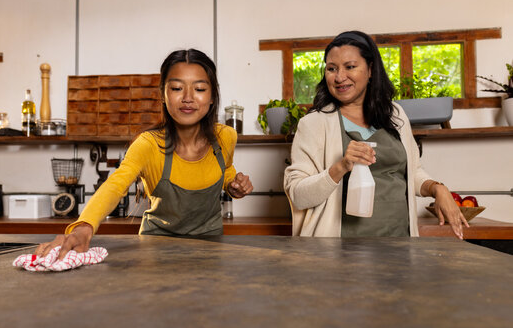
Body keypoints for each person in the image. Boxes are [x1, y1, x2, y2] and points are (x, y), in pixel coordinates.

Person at [37, 48, 253, 259]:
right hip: (156, 250)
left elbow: (224, 169)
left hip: (211, 249)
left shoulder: (225, 137)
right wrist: (82, 228)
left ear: (213, 95)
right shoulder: (148, 144)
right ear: (163, 94)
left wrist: (233, 185)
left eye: (199, 88)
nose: (188, 97)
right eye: (177, 88)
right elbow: (115, 186)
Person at [284, 31, 467, 239]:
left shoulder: (395, 115)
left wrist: (436, 189)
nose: (339, 77)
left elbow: (412, 172)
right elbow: (298, 195)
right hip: (339, 253)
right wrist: (341, 167)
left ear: (370, 70)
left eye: (350, 67)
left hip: (399, 244)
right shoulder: (314, 123)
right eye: (331, 69)